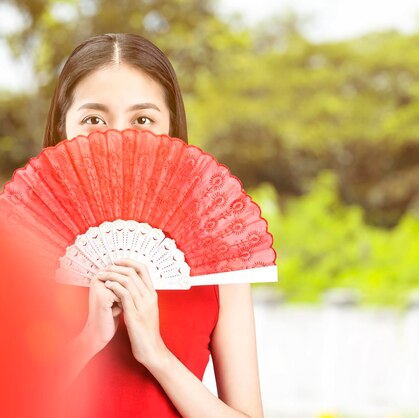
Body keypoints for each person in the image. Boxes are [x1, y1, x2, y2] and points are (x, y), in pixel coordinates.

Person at [43, 33, 264, 418]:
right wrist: (89, 339)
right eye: (93, 119)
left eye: (142, 119)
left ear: (171, 130)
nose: (118, 137)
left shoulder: (218, 257)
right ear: (63, 127)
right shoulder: (15, 250)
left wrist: (156, 355)